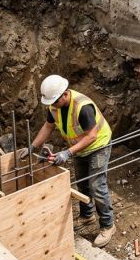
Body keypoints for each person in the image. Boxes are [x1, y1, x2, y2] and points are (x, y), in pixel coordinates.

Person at [18, 74, 115, 247]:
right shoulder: (54, 105)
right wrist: (33, 147)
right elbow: (48, 126)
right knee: (82, 183)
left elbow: (92, 135)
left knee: (97, 186)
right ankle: (87, 216)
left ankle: (108, 225)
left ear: (65, 94)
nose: (52, 105)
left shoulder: (82, 107)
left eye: (55, 101)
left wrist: (67, 153)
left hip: (98, 145)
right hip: (79, 148)